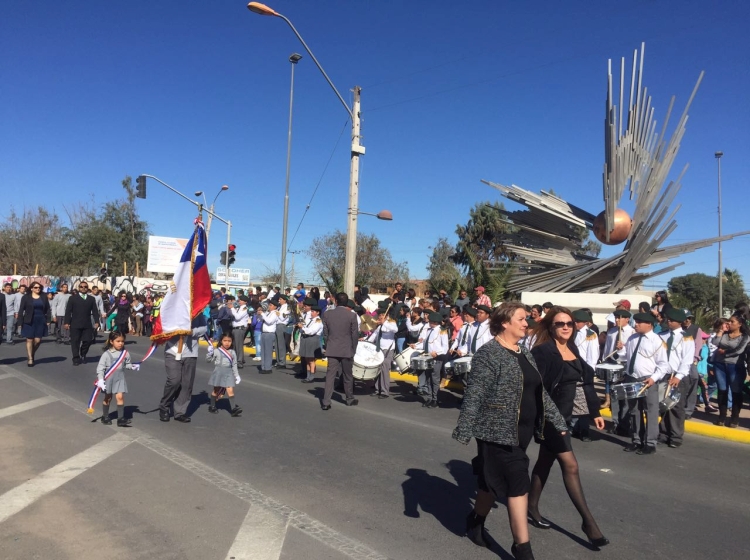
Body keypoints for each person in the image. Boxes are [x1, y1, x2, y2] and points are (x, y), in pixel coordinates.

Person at [453, 302, 568, 560]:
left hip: (523, 432)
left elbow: (539, 392)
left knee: (489, 484)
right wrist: (465, 428)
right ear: (505, 322)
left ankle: (475, 520)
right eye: (521, 319)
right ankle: (522, 549)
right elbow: (475, 392)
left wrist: (558, 422)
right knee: (518, 484)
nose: (527, 323)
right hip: (496, 432)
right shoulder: (489, 353)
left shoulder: (522, 352)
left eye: (527, 319)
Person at [528, 306, 609, 548]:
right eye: (560, 324)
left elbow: (584, 382)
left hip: (568, 415)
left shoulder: (572, 348)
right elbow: (537, 388)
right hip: (552, 418)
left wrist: (594, 412)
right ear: (550, 327)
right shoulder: (543, 352)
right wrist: (549, 418)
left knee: (545, 461)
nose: (565, 327)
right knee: (571, 465)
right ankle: (588, 523)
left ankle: (531, 506)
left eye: (569, 324)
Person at [621, 312, 670, 454]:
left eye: (639, 322)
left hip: (648, 379)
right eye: (635, 322)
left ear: (649, 324)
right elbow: (626, 357)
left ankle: (650, 443)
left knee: (651, 411)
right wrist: (620, 351)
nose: (635, 324)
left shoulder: (657, 341)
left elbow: (663, 364)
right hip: (632, 377)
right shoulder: (632, 338)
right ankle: (637, 440)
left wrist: (653, 378)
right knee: (634, 410)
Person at [159, 314, 207, 423]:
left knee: (187, 383)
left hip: (190, 353)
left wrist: (191, 331)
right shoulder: (173, 310)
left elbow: (204, 328)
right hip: (172, 351)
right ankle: (164, 406)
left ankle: (180, 411)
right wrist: (176, 331)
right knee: (174, 380)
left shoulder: (197, 313)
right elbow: (162, 328)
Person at [658, 308, 694, 448]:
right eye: (668, 319)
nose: (669, 322)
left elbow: (687, 360)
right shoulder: (662, 335)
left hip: (678, 375)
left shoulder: (686, 338)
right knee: (664, 405)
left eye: (672, 320)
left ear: (679, 322)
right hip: (664, 374)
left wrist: (678, 376)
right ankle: (664, 433)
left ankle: (676, 436)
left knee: (676, 406)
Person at [321, 292, 359, 410]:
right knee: (348, 375)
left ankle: (326, 401)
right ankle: (349, 398)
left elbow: (325, 334)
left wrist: (328, 346)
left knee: (330, 375)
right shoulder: (352, 316)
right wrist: (353, 349)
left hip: (332, 348)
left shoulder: (327, 315)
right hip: (346, 349)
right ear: (347, 302)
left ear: (336, 301)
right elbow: (354, 335)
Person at [96, 331, 140, 426]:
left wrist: (132, 366)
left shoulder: (125, 353)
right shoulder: (106, 354)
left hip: (120, 378)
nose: (121, 343)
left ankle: (120, 419)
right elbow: (100, 368)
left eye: (122, 341)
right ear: (111, 341)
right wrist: (100, 379)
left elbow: (127, 364)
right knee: (108, 397)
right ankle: (105, 416)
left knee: (120, 397)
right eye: (118, 341)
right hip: (108, 379)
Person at [712, 314, 749, 427]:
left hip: (735, 366)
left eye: (732, 322)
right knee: (722, 390)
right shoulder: (725, 334)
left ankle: (734, 418)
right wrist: (721, 331)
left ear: (740, 324)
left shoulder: (745, 337)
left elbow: (739, 350)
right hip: (720, 365)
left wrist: (725, 352)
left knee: (736, 391)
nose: (729, 323)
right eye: (728, 321)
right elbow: (715, 342)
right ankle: (722, 416)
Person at [600, 309, 634, 428]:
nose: (617, 320)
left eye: (620, 318)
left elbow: (632, 352)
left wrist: (623, 347)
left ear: (627, 319)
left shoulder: (632, 332)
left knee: (624, 394)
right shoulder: (612, 332)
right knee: (614, 393)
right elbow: (607, 348)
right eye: (616, 318)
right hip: (612, 363)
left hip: (624, 364)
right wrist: (604, 361)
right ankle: (615, 422)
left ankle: (624, 422)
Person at [64, 281, 100, 366]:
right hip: (75, 323)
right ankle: (76, 358)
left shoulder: (91, 299)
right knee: (75, 342)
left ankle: (83, 353)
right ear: (79, 288)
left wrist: (97, 321)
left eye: (85, 287)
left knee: (88, 340)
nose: (83, 288)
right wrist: (66, 322)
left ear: (88, 288)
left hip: (87, 324)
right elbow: (68, 311)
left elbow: (95, 311)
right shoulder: (73, 298)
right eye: (81, 287)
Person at [206, 332, 242, 417]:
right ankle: (212, 406)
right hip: (219, 372)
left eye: (229, 341)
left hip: (228, 372)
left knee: (230, 391)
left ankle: (233, 409)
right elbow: (208, 360)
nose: (227, 343)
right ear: (221, 341)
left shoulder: (232, 352)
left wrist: (237, 375)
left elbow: (234, 364)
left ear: (232, 342)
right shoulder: (217, 351)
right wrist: (209, 353)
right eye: (225, 340)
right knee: (216, 390)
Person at [18, 282, 51, 366]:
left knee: (37, 340)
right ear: (31, 288)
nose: (38, 289)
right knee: (29, 339)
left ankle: (32, 353)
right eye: (36, 287)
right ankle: (30, 358)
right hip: (29, 320)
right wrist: (20, 322)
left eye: (39, 287)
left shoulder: (43, 297)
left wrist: (48, 320)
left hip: (40, 320)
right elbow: (21, 310)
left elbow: (47, 309)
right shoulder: (26, 297)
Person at [299, 304, 324, 383]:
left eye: (313, 311)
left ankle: (311, 376)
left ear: (317, 313)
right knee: (307, 358)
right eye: (311, 311)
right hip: (306, 339)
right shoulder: (310, 319)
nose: (311, 313)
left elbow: (311, 331)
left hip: (312, 339)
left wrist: (302, 327)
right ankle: (308, 376)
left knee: (311, 359)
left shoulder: (318, 321)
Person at [259, 299, 280, 374]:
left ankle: (268, 368)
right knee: (263, 351)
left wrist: (263, 314)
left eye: (271, 305)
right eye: (269, 305)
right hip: (264, 333)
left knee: (268, 351)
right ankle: (263, 367)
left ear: (275, 307)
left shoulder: (275, 313)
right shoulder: (268, 313)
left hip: (269, 334)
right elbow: (262, 320)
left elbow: (269, 321)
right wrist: (260, 314)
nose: (269, 306)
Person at [231, 295, 250, 369]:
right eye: (239, 300)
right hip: (236, 328)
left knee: (238, 345)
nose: (239, 301)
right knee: (235, 345)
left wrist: (232, 309)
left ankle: (239, 362)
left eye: (241, 300)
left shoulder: (244, 308)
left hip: (240, 328)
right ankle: (238, 360)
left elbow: (238, 317)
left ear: (245, 302)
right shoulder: (239, 308)